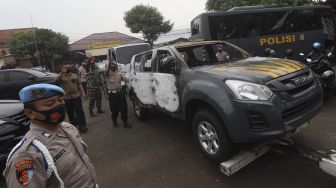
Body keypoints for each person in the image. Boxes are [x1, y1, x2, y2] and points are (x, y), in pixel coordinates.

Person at [3, 84, 99, 188]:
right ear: (30, 113)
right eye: (50, 104)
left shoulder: (68, 128)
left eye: (60, 100)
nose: (59, 106)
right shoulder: (27, 155)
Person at [55, 61, 88, 133]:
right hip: (67, 98)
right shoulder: (61, 76)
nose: (66, 68)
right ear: (62, 68)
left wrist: (83, 93)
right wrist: (62, 72)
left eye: (67, 66)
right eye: (65, 66)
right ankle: (74, 126)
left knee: (79, 111)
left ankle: (82, 125)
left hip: (76, 96)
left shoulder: (74, 75)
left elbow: (79, 84)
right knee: (70, 113)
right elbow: (55, 81)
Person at [105, 59, 131, 128]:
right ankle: (114, 121)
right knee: (114, 109)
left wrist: (125, 76)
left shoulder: (119, 73)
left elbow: (126, 80)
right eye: (111, 65)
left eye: (114, 65)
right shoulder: (108, 73)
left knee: (124, 108)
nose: (113, 66)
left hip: (120, 93)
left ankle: (125, 123)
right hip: (112, 95)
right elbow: (106, 72)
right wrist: (109, 64)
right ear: (109, 66)